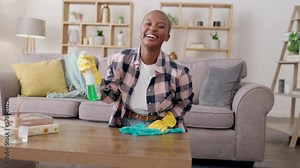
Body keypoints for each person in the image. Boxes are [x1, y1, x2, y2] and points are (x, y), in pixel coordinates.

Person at [86, 10, 193, 132]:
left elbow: (185, 102)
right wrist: (94, 79)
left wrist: (166, 121)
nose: (152, 28)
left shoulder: (179, 72)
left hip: (161, 128)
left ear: (167, 37)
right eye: (148, 24)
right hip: (126, 124)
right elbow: (110, 98)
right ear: (140, 29)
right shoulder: (120, 60)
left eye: (160, 26)